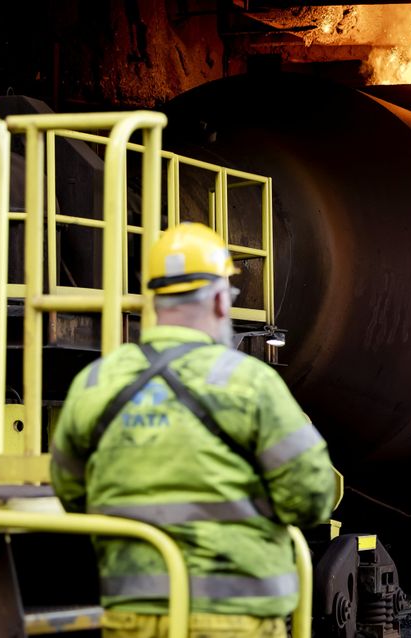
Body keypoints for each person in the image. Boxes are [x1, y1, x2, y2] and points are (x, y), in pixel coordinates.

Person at [50, 222, 340, 638]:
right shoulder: (250, 384)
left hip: (131, 619)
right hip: (234, 621)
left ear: (152, 299)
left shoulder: (96, 383)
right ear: (221, 301)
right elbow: (313, 497)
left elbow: (71, 492)